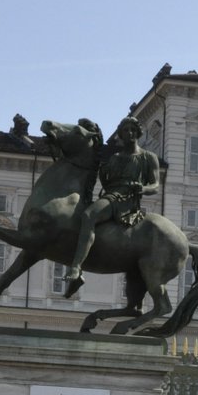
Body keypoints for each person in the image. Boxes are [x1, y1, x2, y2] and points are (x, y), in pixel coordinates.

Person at [65, 115, 159, 297]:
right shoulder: (115, 158)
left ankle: (76, 268)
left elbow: (155, 186)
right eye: (126, 130)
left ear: (138, 132)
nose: (130, 133)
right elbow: (104, 179)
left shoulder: (148, 157)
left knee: (89, 216)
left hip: (126, 199)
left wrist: (143, 188)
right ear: (121, 135)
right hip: (110, 195)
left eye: (133, 129)